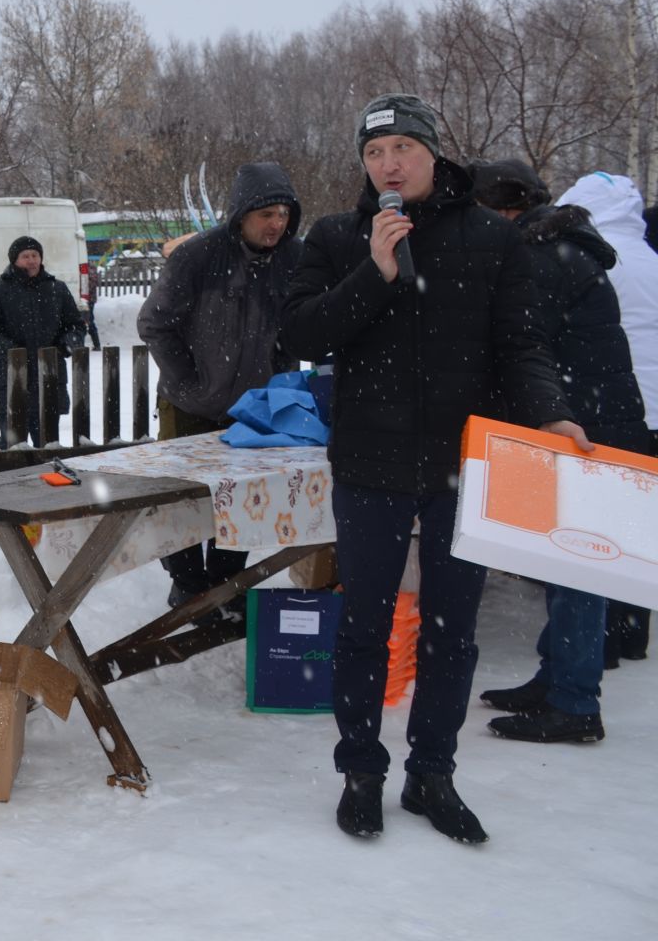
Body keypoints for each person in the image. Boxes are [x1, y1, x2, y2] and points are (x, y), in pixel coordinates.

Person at [280, 94, 584, 846]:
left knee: (452, 631)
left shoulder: (489, 237)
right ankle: (361, 771)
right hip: (369, 460)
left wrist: (549, 411)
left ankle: (432, 774)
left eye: (402, 149)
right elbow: (299, 336)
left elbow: (522, 343)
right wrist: (375, 271)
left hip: (463, 463)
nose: (389, 164)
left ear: (431, 152)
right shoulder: (337, 237)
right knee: (365, 625)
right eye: (375, 153)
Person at [469, 160, 646, 744]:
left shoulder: (544, 257)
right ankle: (555, 680)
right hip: (583, 416)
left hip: (582, 425)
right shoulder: (555, 244)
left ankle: (574, 703)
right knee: (562, 562)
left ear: (504, 212)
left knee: (576, 567)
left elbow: (521, 343)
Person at [137, 162, 304, 609]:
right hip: (187, 401)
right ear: (241, 213)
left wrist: (280, 382)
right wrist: (187, 382)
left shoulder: (293, 259)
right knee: (182, 501)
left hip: (253, 406)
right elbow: (154, 324)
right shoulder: (198, 257)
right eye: (266, 214)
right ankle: (188, 584)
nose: (276, 224)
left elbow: (295, 329)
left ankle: (228, 586)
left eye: (283, 214)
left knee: (245, 499)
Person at [555, 171, 658, 665]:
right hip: (650, 410)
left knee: (596, 537)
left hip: (607, 405)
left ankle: (602, 645)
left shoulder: (588, 260)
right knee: (637, 532)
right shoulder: (651, 260)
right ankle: (634, 633)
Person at [0, 235, 86, 448]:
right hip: (12, 378)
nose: (31, 260)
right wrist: (10, 350)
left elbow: (76, 325)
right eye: (25, 256)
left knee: (48, 443)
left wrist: (66, 344)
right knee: (11, 443)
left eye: (35, 255)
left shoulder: (57, 289)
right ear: (14, 260)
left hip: (49, 377)